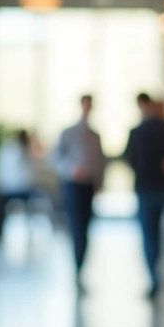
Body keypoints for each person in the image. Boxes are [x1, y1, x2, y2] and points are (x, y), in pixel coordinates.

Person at [122, 92, 164, 297]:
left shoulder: (137, 131)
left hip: (144, 188)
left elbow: (128, 158)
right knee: (159, 233)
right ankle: (156, 274)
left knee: (149, 234)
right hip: (163, 188)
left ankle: (153, 277)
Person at [52, 95, 106, 292]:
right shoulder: (68, 133)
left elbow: (101, 160)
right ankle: (76, 269)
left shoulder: (95, 135)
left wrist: (100, 180)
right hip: (72, 185)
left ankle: (81, 268)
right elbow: (56, 158)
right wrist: (71, 169)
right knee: (76, 228)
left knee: (85, 227)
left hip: (89, 186)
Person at [0, 129, 38, 237]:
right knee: (37, 194)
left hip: (3, 188)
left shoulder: (6, 150)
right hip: (16, 189)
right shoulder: (20, 152)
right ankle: (30, 228)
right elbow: (25, 176)